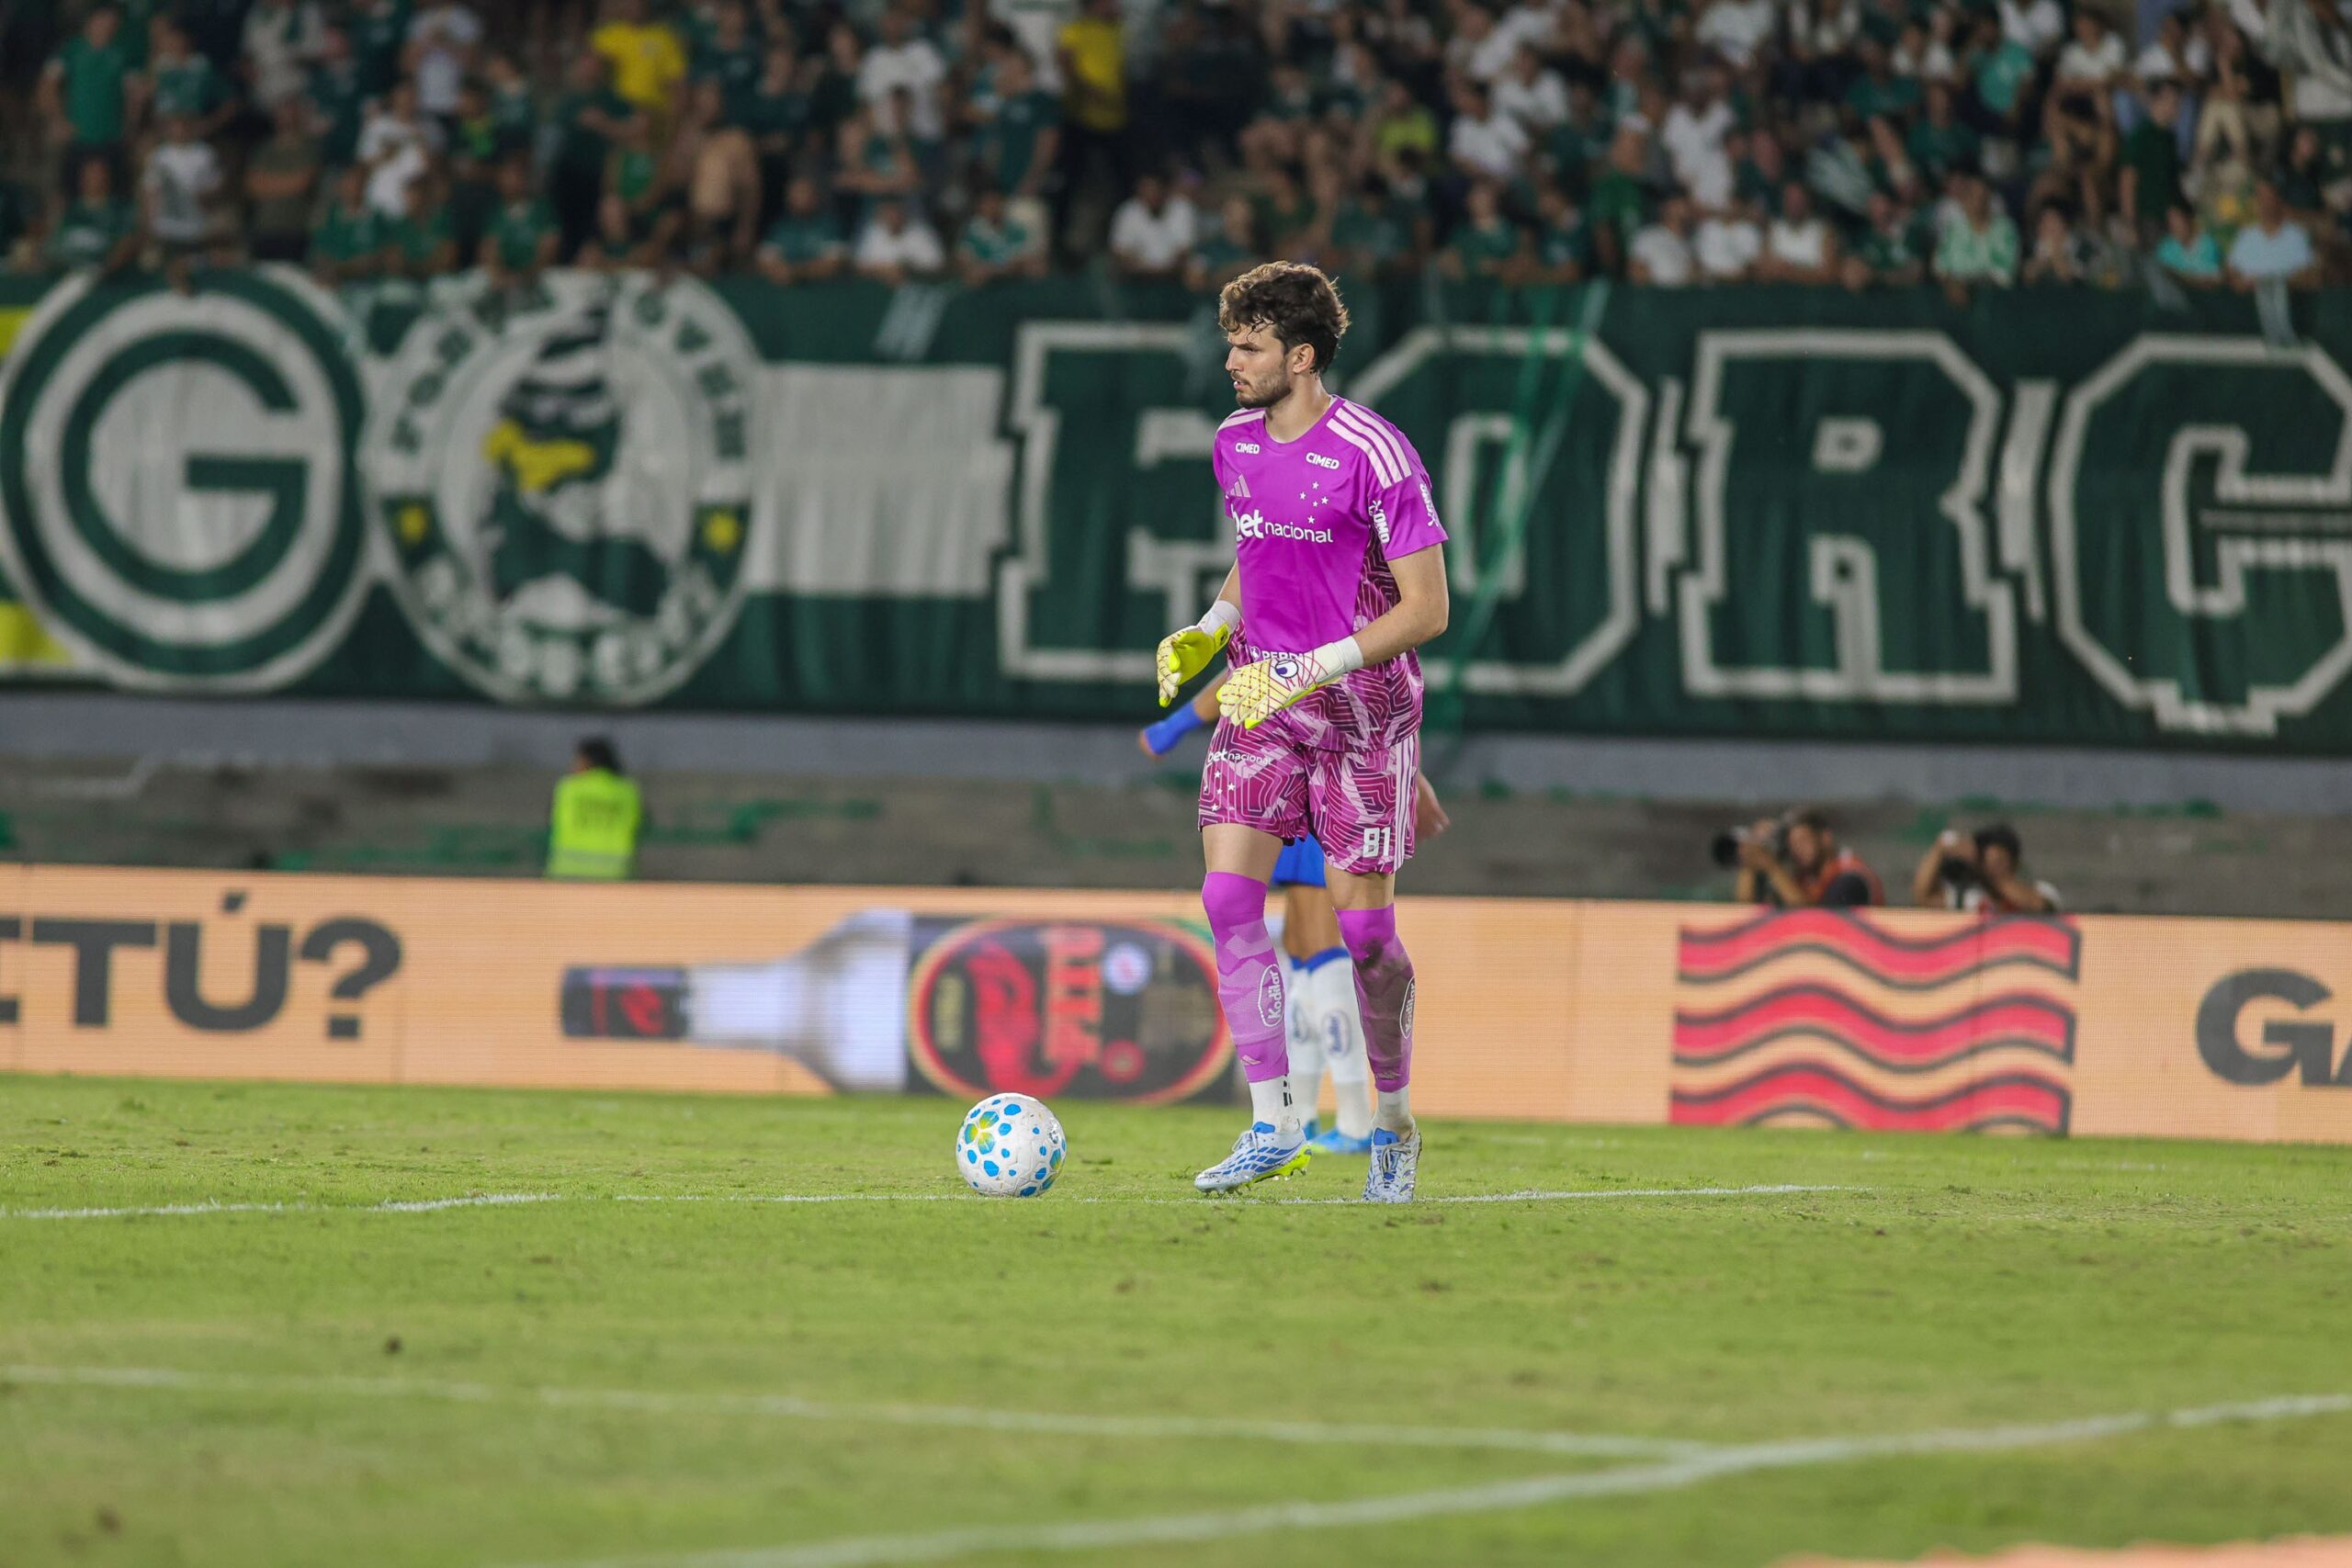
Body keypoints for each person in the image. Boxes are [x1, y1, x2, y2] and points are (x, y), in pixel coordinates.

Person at [1154, 261, 1449, 1201]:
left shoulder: (1377, 451)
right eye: (1230, 343)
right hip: (1260, 700)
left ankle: (1393, 1121)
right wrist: (1209, 628)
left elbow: (1427, 610)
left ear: (1302, 354)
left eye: (1248, 346)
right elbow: (1257, 554)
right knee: (1227, 901)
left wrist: (1310, 666)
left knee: (1366, 938)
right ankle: (1272, 1123)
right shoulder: (1234, 441)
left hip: (1362, 713)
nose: (1231, 362)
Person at [1139, 676, 1450, 1156]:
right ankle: (1301, 1112)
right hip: (1284, 763)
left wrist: (1174, 725)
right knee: (1303, 951)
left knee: (1326, 943)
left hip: (1326, 764)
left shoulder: (1315, 626)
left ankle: (1352, 1116)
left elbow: (1384, 678)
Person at [1733, 807, 1883, 908]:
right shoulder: (1805, 880)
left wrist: (1772, 868)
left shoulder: (1850, 878)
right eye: (1792, 845)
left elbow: (1813, 922)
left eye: (1803, 841)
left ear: (1825, 838)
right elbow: (1746, 911)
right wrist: (1751, 859)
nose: (1798, 850)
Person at [548, 737, 644, 881]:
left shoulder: (569, 788)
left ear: (586, 760)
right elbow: (639, 824)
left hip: (568, 870)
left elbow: (552, 819)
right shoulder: (628, 791)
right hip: (615, 872)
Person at [1910, 822, 2060, 914]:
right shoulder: (1971, 899)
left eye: (1998, 861)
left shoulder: (2041, 890)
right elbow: (1923, 896)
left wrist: (1992, 877)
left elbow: (2040, 907)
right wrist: (1940, 848)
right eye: (1985, 860)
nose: (1991, 867)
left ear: (2015, 864)